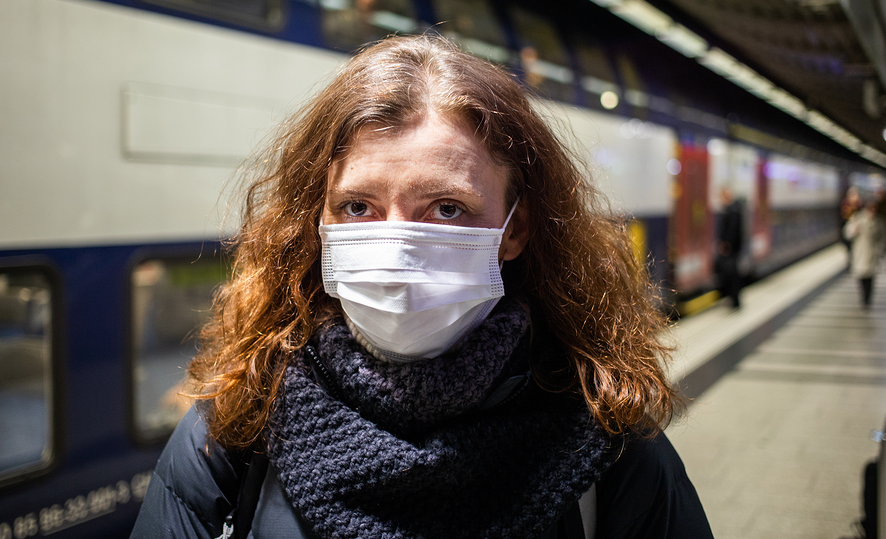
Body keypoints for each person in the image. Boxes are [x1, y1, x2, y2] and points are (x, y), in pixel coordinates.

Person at [130, 35, 713, 539]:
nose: (396, 249)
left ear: (516, 230)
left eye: (447, 208)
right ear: (318, 221)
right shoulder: (233, 427)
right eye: (357, 206)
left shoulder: (608, 444)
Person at [844, 200, 886, 307]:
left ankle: (867, 299)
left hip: (872, 253)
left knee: (870, 278)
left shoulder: (879, 221)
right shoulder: (858, 219)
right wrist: (854, 229)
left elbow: (883, 238)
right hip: (861, 252)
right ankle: (864, 298)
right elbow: (848, 233)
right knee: (861, 276)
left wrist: (880, 250)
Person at [715, 188, 743, 309]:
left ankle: (734, 300)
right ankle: (733, 299)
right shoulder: (735, 210)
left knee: (731, 275)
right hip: (734, 249)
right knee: (733, 274)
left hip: (730, 249)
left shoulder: (730, 211)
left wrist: (726, 245)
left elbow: (731, 231)